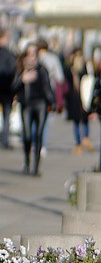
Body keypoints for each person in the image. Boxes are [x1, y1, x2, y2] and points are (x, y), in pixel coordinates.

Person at [12, 43, 53, 175]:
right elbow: (12, 87)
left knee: (39, 134)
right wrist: (22, 79)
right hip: (26, 105)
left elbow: (47, 87)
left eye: (34, 54)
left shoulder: (42, 70)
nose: (32, 58)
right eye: (29, 54)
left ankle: (36, 167)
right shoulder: (20, 70)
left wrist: (52, 102)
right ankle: (27, 162)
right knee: (28, 135)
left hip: (40, 104)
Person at [64, 47, 95, 154]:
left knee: (77, 121)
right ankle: (85, 138)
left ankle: (78, 144)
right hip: (84, 97)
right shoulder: (85, 67)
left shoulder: (71, 68)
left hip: (74, 98)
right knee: (85, 119)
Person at [0, 29, 16, 149]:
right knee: (6, 115)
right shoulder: (10, 55)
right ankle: (4, 140)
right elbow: (13, 72)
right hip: (6, 90)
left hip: (5, 90)